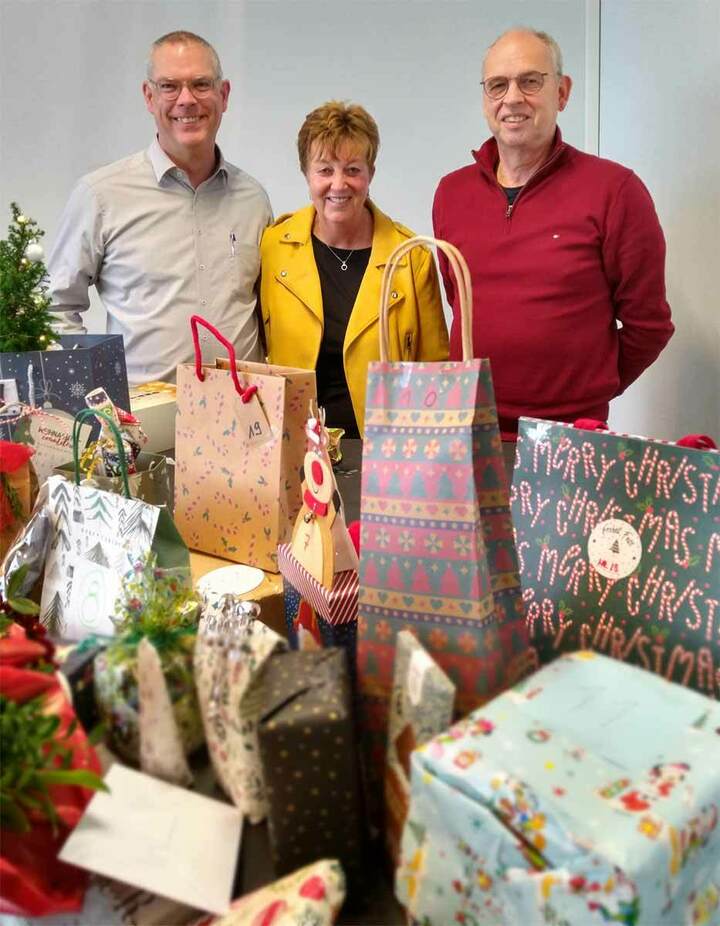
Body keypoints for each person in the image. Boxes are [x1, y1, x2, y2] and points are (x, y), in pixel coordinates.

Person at [433, 27, 674, 475]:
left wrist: (589, 385)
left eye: (530, 81)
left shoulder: (615, 191)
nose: (512, 98)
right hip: (469, 434)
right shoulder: (451, 193)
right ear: (485, 98)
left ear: (561, 92)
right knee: (480, 550)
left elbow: (650, 324)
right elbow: (459, 301)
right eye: (497, 85)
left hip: (574, 439)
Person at [47, 31, 271, 384]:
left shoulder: (253, 200)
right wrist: (85, 393)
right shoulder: (101, 195)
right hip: (143, 428)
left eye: (201, 84)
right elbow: (56, 306)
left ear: (223, 95)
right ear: (149, 97)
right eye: (169, 86)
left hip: (240, 420)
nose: (186, 100)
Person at [260, 101, 448, 438]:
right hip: (293, 447)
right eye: (325, 170)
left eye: (352, 169)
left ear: (370, 173)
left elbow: (434, 376)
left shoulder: (412, 257)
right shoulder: (274, 247)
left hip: (386, 454)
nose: (339, 184)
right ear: (306, 173)